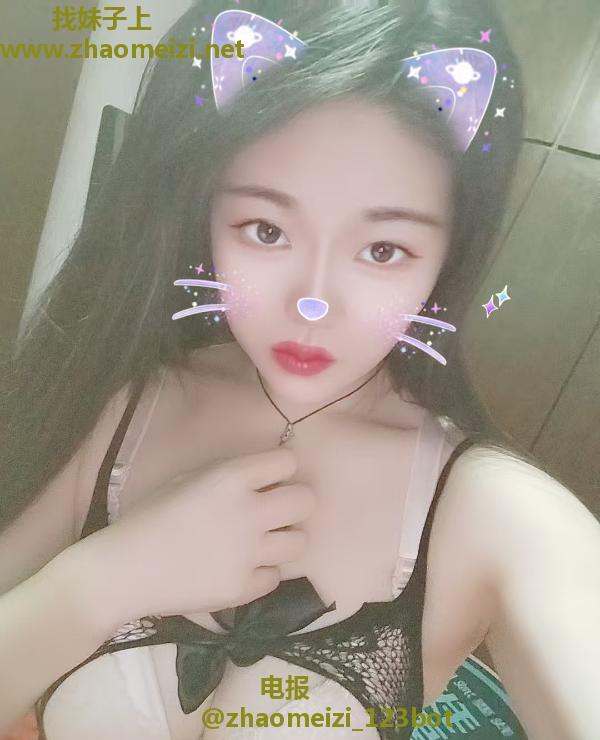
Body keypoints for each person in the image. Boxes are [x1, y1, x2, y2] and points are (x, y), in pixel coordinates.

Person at [1, 1, 599, 738]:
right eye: (266, 230)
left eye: (382, 250)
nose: (313, 302)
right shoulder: (121, 405)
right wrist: (103, 581)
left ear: (447, 255)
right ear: (203, 215)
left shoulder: (494, 511)